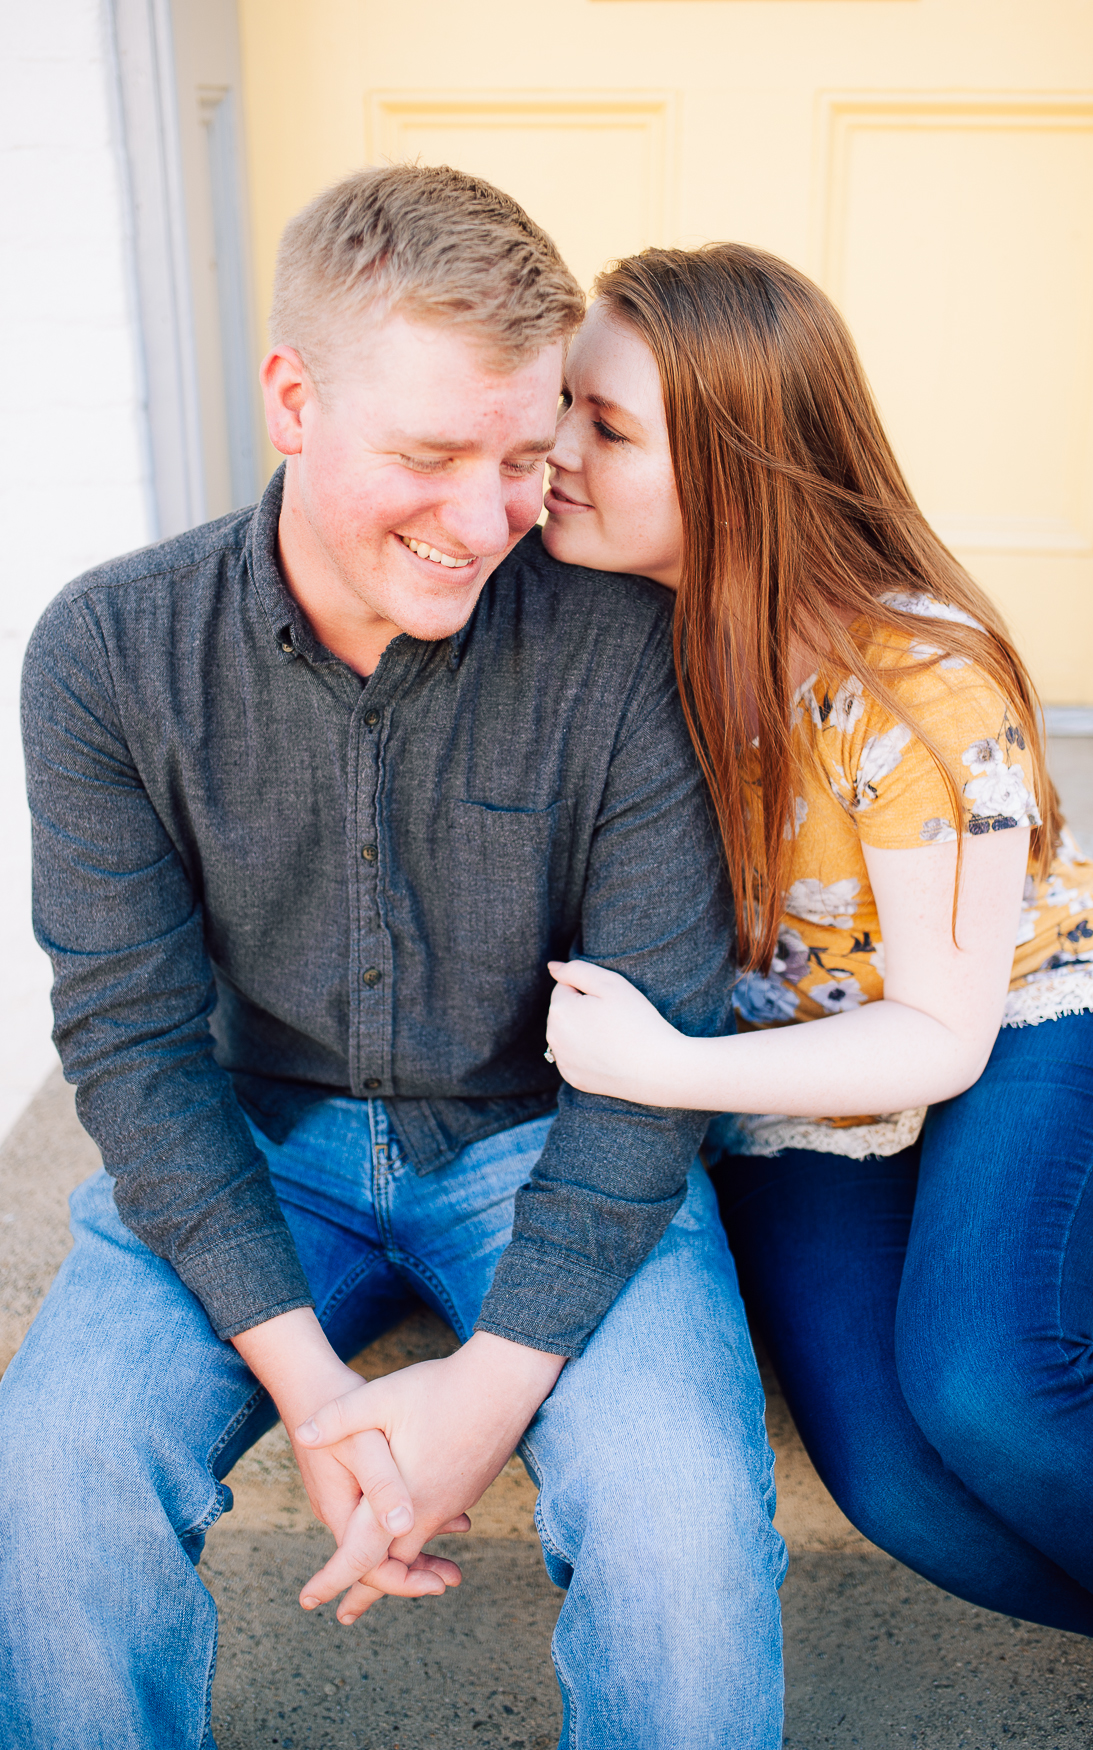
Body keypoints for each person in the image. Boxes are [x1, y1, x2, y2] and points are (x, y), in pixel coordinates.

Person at [0, 173, 786, 1749]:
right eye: (428, 455)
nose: (488, 516)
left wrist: (481, 1398)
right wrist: (316, 1394)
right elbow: (134, 1045)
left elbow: (662, 1043)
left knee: (687, 1530)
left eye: (524, 457)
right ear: (293, 400)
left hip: (551, 1140)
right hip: (251, 1137)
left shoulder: (626, 648)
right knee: (57, 1468)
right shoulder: (105, 652)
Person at [530, 243, 1093, 1659]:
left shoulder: (914, 682)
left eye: (609, 428)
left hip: (1027, 1007)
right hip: (793, 1073)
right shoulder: (613, 624)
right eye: (564, 405)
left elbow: (943, 1029)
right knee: (887, 1477)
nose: (554, 451)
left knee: (987, 1382)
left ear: (741, 464)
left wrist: (666, 1065)